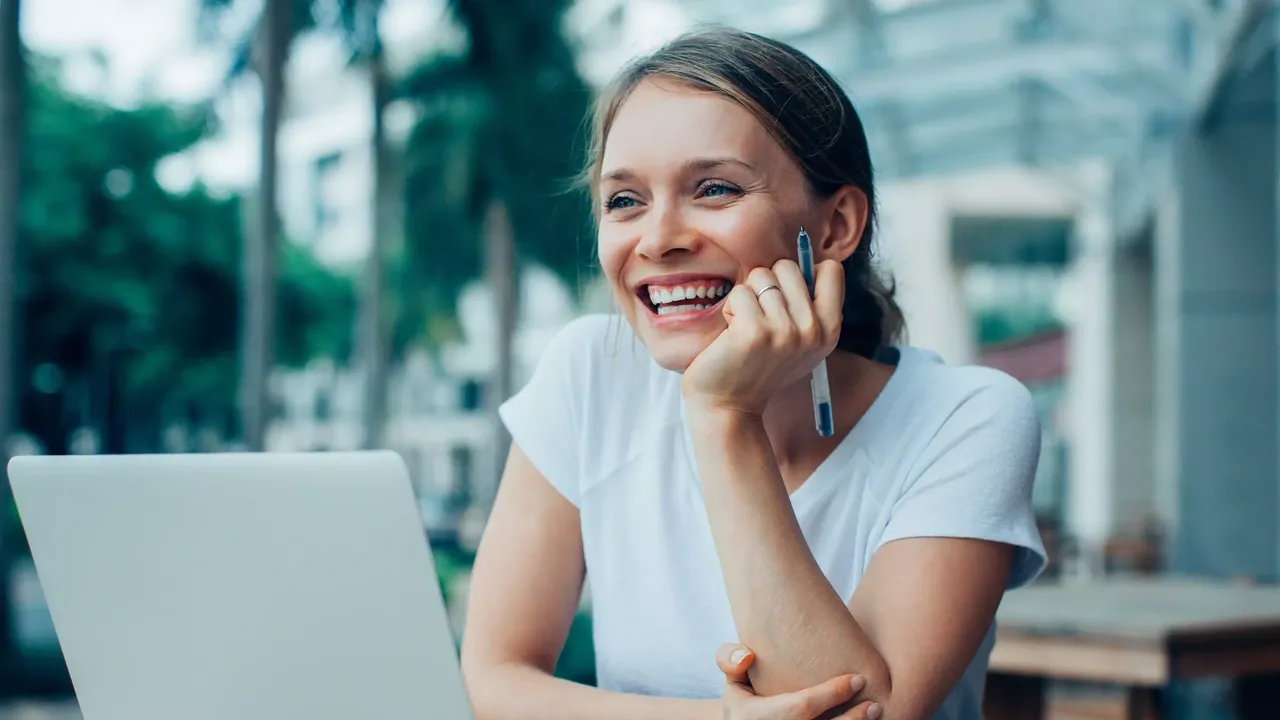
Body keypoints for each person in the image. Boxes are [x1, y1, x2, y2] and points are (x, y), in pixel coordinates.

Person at [460, 26, 1046, 720]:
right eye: (625, 200)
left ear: (834, 228)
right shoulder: (591, 373)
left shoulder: (969, 417)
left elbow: (861, 716)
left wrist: (723, 418)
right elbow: (496, 679)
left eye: (713, 189)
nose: (657, 238)